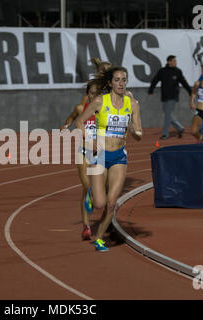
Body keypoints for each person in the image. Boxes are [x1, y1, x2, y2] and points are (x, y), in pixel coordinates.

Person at [76, 66, 142, 252]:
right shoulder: (100, 101)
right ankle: (90, 193)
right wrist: (90, 140)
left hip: (119, 156)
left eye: (124, 80)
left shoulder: (133, 104)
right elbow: (79, 122)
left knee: (112, 202)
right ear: (110, 83)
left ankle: (99, 239)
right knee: (99, 204)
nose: (121, 83)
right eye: (117, 80)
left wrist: (134, 132)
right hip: (101, 155)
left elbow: (139, 133)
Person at [60, 83, 102, 240]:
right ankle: (86, 226)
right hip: (83, 151)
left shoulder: (102, 110)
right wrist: (65, 125)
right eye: (90, 93)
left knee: (99, 188)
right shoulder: (80, 109)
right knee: (86, 187)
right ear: (87, 94)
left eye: (96, 94)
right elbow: (71, 118)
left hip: (100, 152)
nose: (93, 96)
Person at [148, 55, 191, 140]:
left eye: (175, 61)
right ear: (169, 62)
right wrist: (151, 90)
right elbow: (155, 80)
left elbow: (184, 82)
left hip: (173, 96)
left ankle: (165, 134)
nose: (175, 62)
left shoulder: (178, 71)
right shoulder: (162, 71)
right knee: (168, 114)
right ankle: (180, 128)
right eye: (174, 61)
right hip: (164, 96)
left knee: (167, 115)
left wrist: (190, 91)